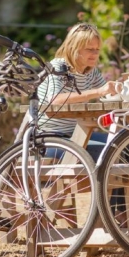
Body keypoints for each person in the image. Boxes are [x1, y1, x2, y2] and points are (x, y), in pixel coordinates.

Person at [36, 22, 121, 161]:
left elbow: (108, 95)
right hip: (50, 138)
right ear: (74, 48)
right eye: (89, 49)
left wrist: (126, 88)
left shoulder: (90, 71)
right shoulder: (59, 67)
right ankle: (102, 183)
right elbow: (55, 100)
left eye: (97, 49)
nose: (95, 54)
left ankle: (115, 183)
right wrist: (99, 91)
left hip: (76, 133)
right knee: (112, 150)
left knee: (125, 145)